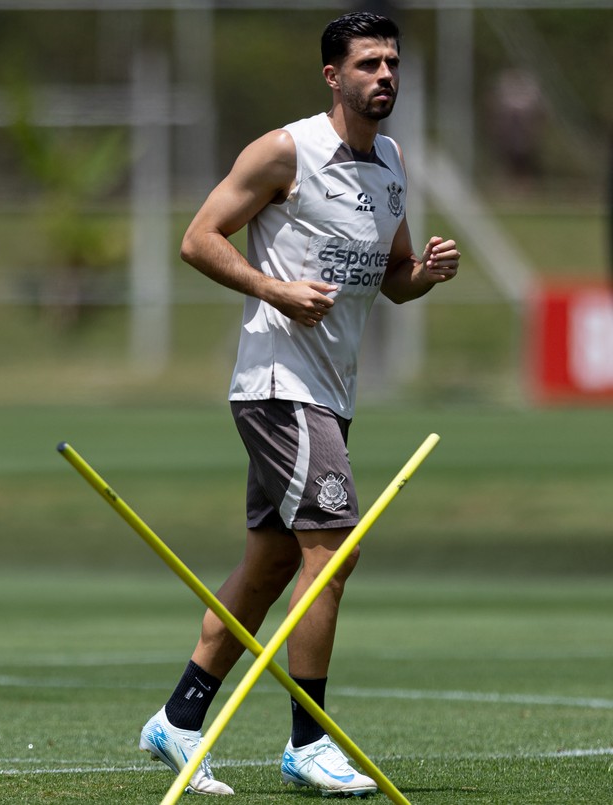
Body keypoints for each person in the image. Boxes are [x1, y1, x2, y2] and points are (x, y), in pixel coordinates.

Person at [138, 11, 460, 798]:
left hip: (331, 392)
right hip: (280, 386)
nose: (384, 76)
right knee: (333, 554)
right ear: (332, 77)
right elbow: (199, 238)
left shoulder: (390, 162)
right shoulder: (285, 151)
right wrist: (274, 286)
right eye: (368, 65)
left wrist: (428, 273)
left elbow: (393, 276)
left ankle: (178, 719)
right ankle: (310, 741)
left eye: (391, 63)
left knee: (276, 561)